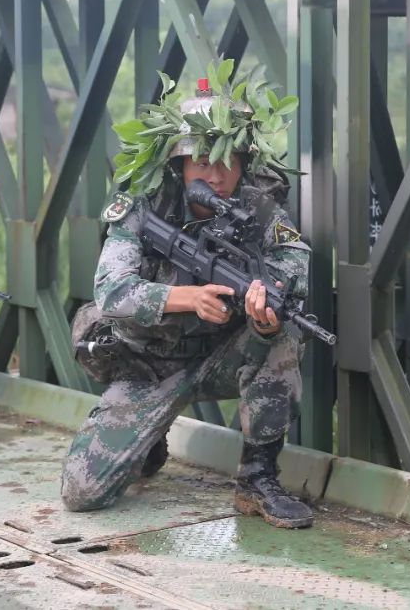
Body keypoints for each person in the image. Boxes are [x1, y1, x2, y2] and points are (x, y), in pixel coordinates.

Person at [61, 69, 314, 529]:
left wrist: (264, 318)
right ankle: (149, 440)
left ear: (244, 162)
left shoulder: (260, 211)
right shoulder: (143, 208)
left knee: (285, 335)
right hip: (147, 364)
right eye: (200, 162)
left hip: (219, 354)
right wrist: (186, 297)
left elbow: (295, 262)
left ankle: (258, 479)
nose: (215, 177)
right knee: (82, 493)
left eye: (227, 162)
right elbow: (111, 291)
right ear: (178, 165)